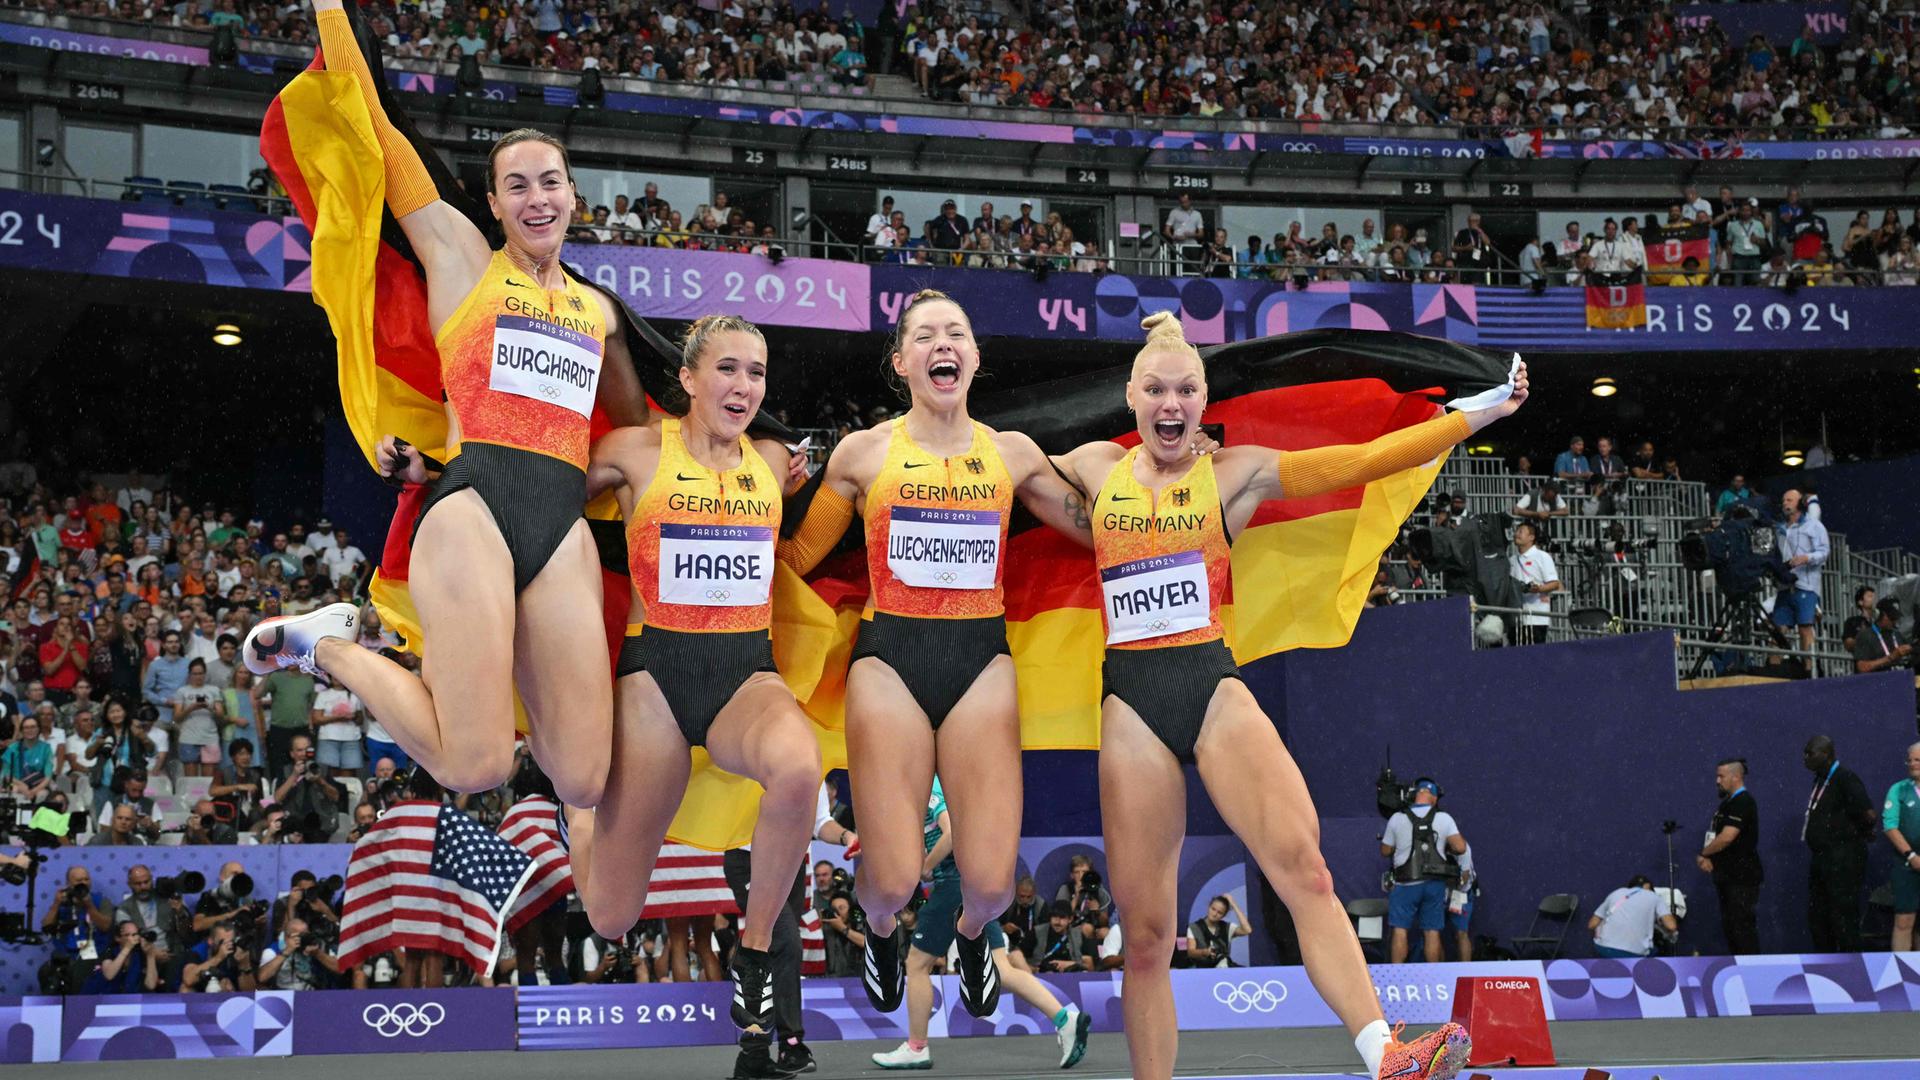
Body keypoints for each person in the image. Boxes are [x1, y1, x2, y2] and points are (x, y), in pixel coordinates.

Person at [1042, 312, 1522, 1080]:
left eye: (1187, 389)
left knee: (1307, 871)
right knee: (1146, 935)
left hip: (1206, 679)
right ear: (1130, 397)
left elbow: (1361, 461)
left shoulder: (1237, 471)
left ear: (1204, 401)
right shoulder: (1093, 465)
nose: (1172, 402)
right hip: (1129, 699)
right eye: (1157, 388)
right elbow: (1001, 462)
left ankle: (1384, 1055)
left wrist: (1474, 416)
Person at [246, 0, 649, 818]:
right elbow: (379, 124)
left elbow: (640, 435)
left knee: (581, 779)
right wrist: (331, 9)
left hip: (561, 526)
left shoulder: (601, 314)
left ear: (576, 197)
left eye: (549, 182)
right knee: (475, 764)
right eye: (515, 186)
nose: (535, 198)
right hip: (472, 508)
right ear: (493, 205)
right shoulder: (463, 258)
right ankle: (328, 644)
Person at [775, 289, 1106, 1020]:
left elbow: (1098, 530)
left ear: (975, 357)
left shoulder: (1011, 453)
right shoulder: (863, 454)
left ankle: (972, 934)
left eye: (956, 331)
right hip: (889, 658)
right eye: (924, 335)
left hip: (979, 660)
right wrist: (767, 493)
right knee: (889, 882)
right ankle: (884, 933)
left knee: (990, 885)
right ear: (902, 362)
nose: (942, 344)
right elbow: (797, 557)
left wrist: (1164, 478)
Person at [557, 315, 819, 1080]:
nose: (744, 387)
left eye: (758, 374)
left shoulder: (772, 461)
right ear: (689, 378)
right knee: (611, 916)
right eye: (729, 370)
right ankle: (576, 813)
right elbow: (539, 504)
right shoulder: (635, 450)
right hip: (655, 679)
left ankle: (758, 947)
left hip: (746, 672)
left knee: (799, 767)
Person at [871, 777, 1091, 1072]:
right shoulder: (929, 787)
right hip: (972, 885)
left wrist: (925, 866)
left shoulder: (931, 789)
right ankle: (1066, 1019)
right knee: (1000, 967)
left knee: (916, 964)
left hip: (953, 887)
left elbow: (950, 833)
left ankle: (916, 1047)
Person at [1801, 735, 1874, 952]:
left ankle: (1850, 968)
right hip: (1823, 858)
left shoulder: (1845, 778)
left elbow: (1868, 814)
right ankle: (1825, 967)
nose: (1805, 758)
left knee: (1842, 914)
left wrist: (1852, 835)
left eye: (1810, 753)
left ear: (1827, 754)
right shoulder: (1820, 779)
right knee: (1818, 916)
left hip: (1843, 858)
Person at [1382, 780, 1467, 964]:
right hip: (1433, 883)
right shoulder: (1444, 818)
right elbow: (1461, 847)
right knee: (1432, 931)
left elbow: (1385, 851)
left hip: (1405, 883)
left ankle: (1397, 975)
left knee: (1400, 930)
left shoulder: (1397, 818)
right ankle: (1433, 976)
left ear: (1414, 795)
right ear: (1435, 798)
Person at [1699, 758, 1762, 955]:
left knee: (1742, 929)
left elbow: (1727, 837)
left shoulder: (1743, 802)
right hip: (1727, 876)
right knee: (1731, 929)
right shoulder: (1727, 804)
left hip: (1741, 878)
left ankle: (1751, 974)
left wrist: (1703, 853)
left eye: (1721, 776)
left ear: (1736, 777)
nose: (1717, 781)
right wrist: (1709, 857)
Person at [1772, 489, 1830, 660]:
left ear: (1800, 503)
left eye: (1789, 500)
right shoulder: (1780, 528)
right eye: (1783, 500)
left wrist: (1807, 557)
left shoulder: (1814, 525)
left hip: (1806, 585)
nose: (1785, 503)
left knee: (1805, 629)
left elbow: (1824, 552)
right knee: (1778, 631)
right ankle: (1771, 673)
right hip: (1785, 586)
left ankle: (1808, 671)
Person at [1884, 742, 1920, 952]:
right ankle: (1901, 977)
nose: (1913, 764)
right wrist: (1911, 855)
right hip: (1906, 865)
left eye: (1918, 760)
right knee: (1904, 921)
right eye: (1911, 760)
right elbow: (1890, 826)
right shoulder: (1898, 790)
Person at [1588, 875, 1678, 958]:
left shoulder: (1616, 893)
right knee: (1657, 947)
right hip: (1633, 954)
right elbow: (1671, 926)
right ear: (1647, 886)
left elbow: (1592, 924)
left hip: (1604, 949)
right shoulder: (1654, 896)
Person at [1508, 522, 1560, 645]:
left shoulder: (1542, 556)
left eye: (1520, 531)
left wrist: (1538, 589)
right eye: (1516, 531)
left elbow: (1554, 583)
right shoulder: (1512, 559)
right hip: (1515, 619)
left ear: (1531, 537)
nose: (1516, 534)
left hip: (1536, 618)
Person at [81, 921, 161, 994]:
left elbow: (151, 985)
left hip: (130, 1001)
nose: (133, 938)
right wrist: (127, 948)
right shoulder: (109, 952)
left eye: (135, 934)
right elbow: (109, 975)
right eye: (127, 935)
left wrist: (150, 956)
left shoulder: (140, 954)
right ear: (117, 938)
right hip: (101, 1000)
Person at [1186, 894, 1250, 967]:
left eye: (1219, 913)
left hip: (1224, 966)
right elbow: (1190, 952)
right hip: (1203, 969)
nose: (1214, 914)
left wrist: (1234, 904)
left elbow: (1247, 930)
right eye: (1213, 909)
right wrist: (1204, 952)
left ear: (1224, 915)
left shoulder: (1227, 927)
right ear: (1209, 907)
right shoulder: (1194, 927)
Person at [1852, 599, 1912, 674]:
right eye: (1892, 618)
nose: (1894, 621)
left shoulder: (1897, 634)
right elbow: (1862, 667)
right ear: (1878, 615)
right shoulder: (1865, 635)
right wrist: (1891, 657)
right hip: (1877, 682)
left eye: (1896, 618)